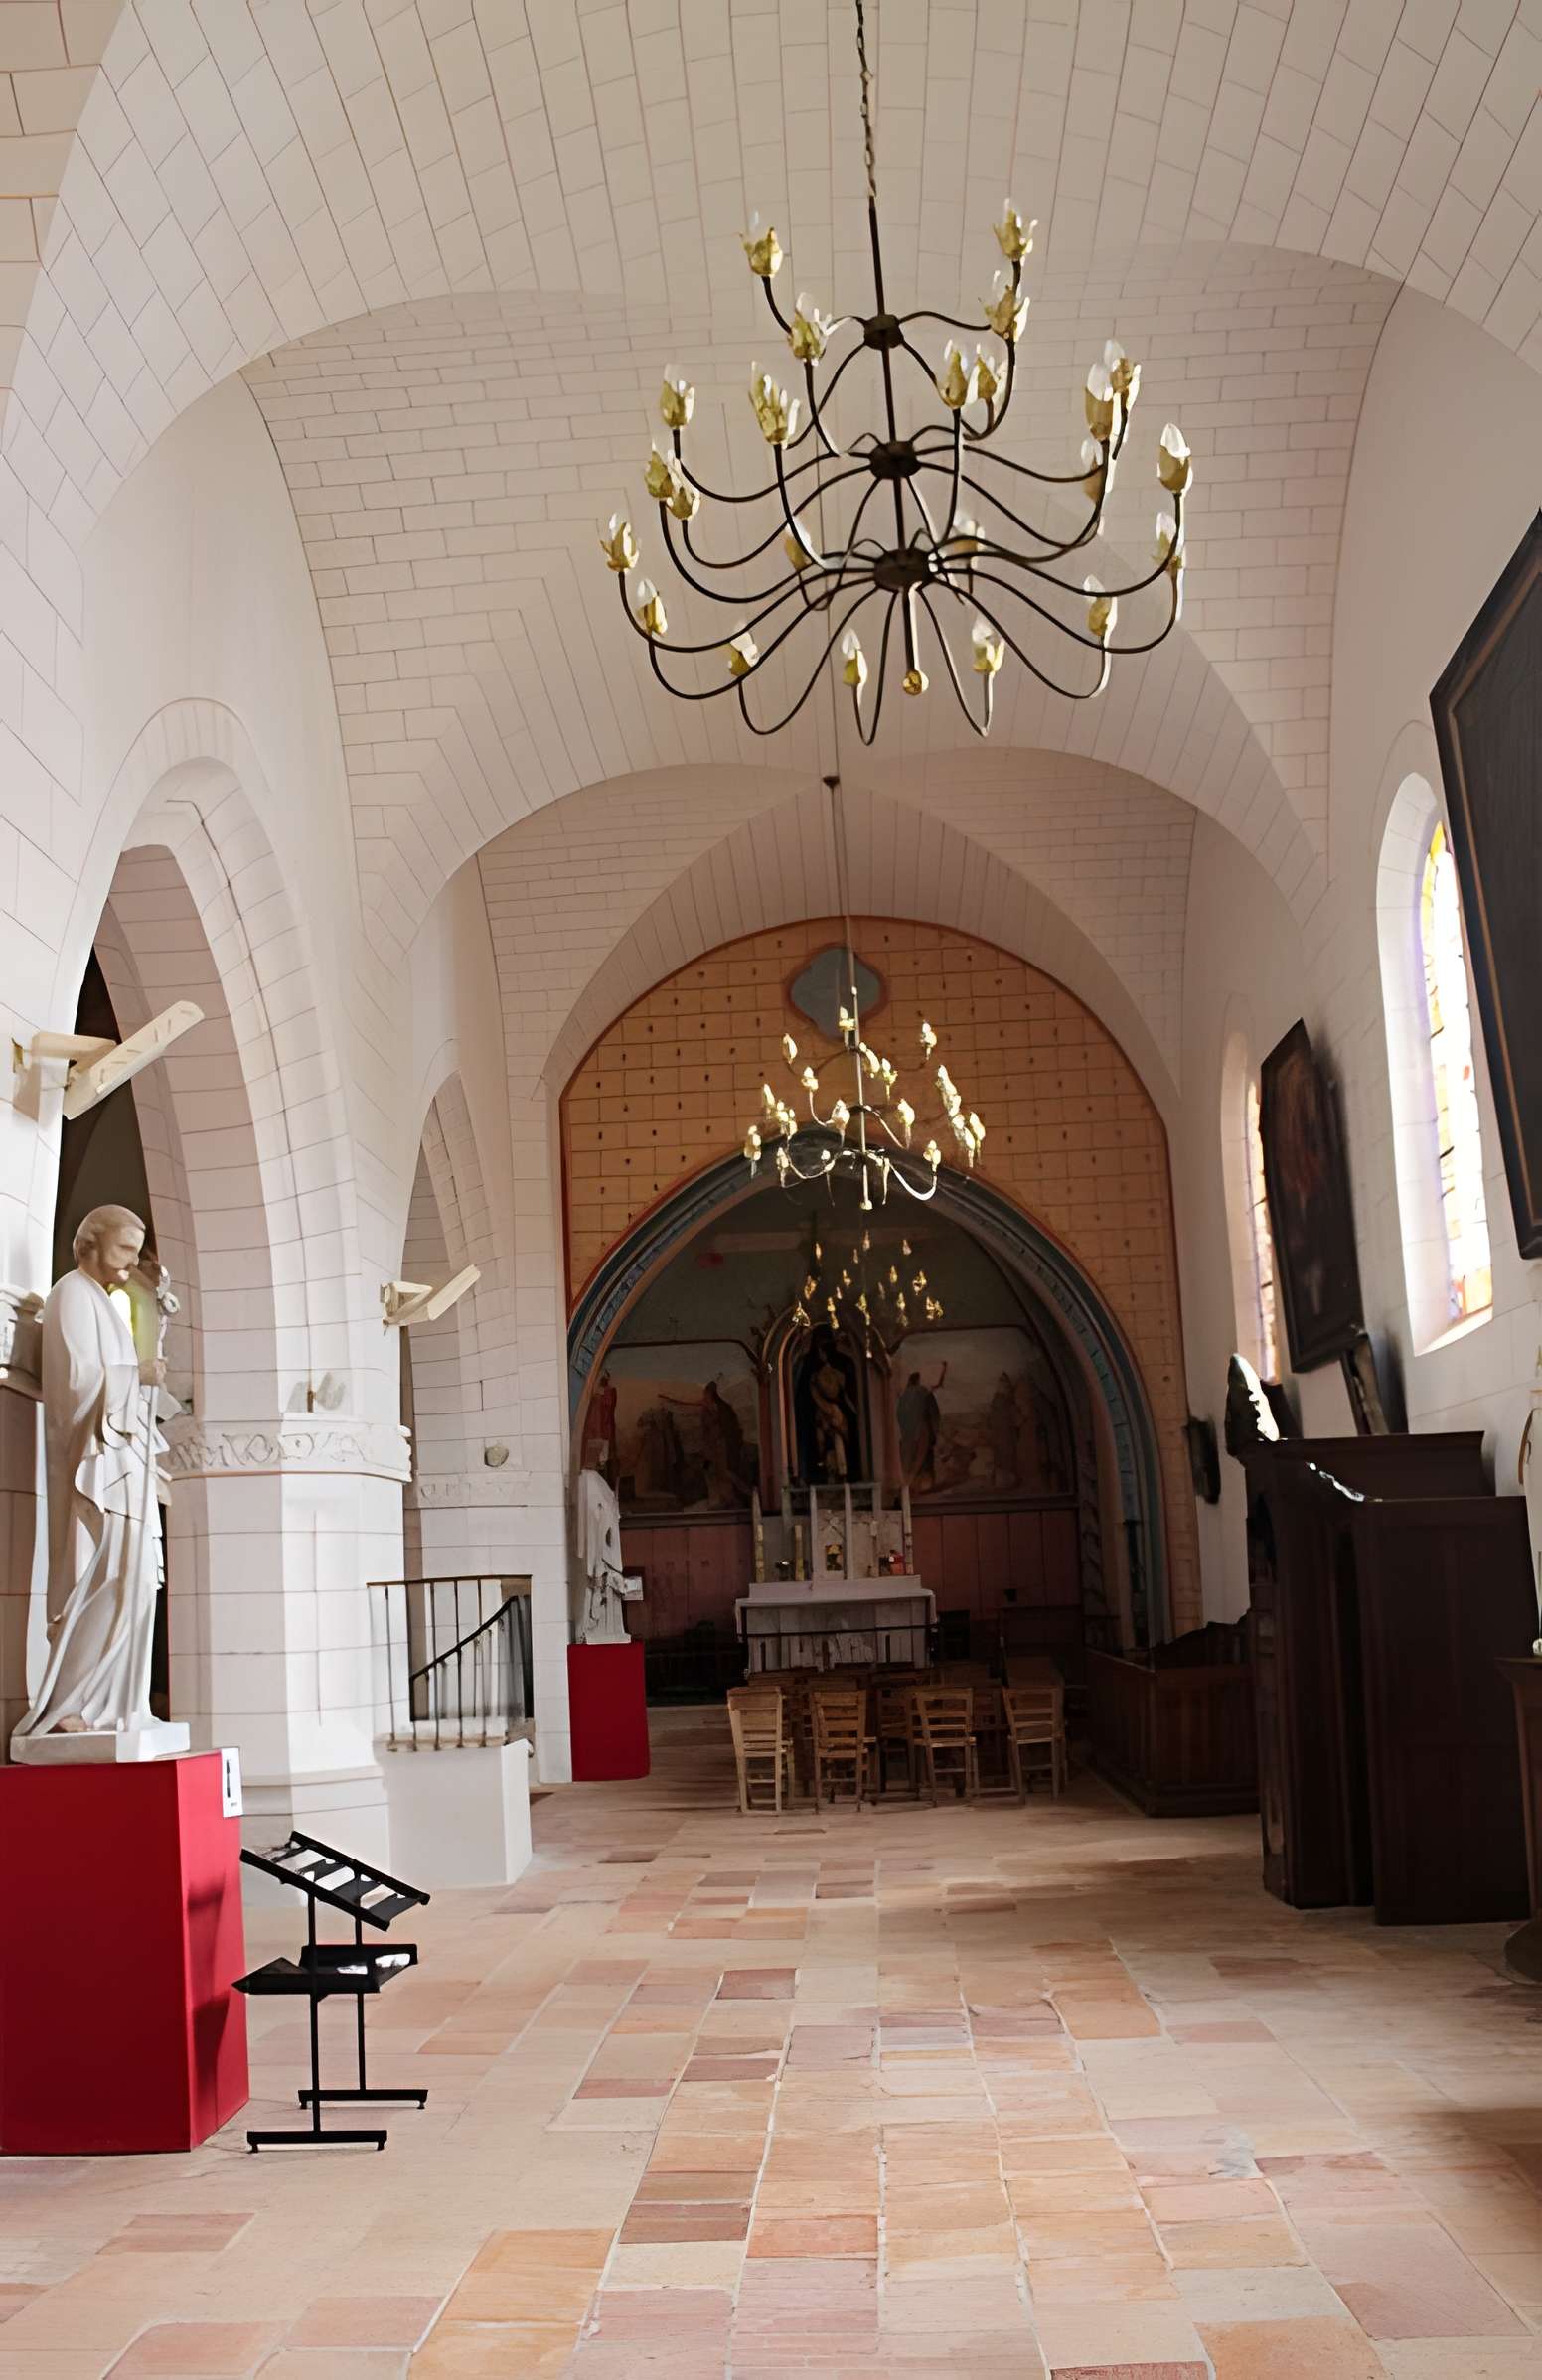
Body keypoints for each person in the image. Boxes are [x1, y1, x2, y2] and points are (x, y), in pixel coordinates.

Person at [11, 1206, 170, 1748]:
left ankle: (120, 1704)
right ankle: (66, 1703)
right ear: (88, 1245)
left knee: (139, 1579)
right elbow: (75, 1383)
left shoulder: (101, 1300)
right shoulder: (71, 1295)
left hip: (123, 1456)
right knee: (114, 1576)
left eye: (135, 1250)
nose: (130, 1261)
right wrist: (136, 1375)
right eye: (124, 1248)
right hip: (99, 1459)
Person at [897, 1362, 947, 1490]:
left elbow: (899, 1415)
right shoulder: (924, 1392)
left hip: (907, 1434)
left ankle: (909, 1486)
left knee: (909, 1461)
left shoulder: (903, 1396)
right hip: (921, 1431)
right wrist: (934, 1433)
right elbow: (934, 1414)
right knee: (923, 1460)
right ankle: (917, 1485)